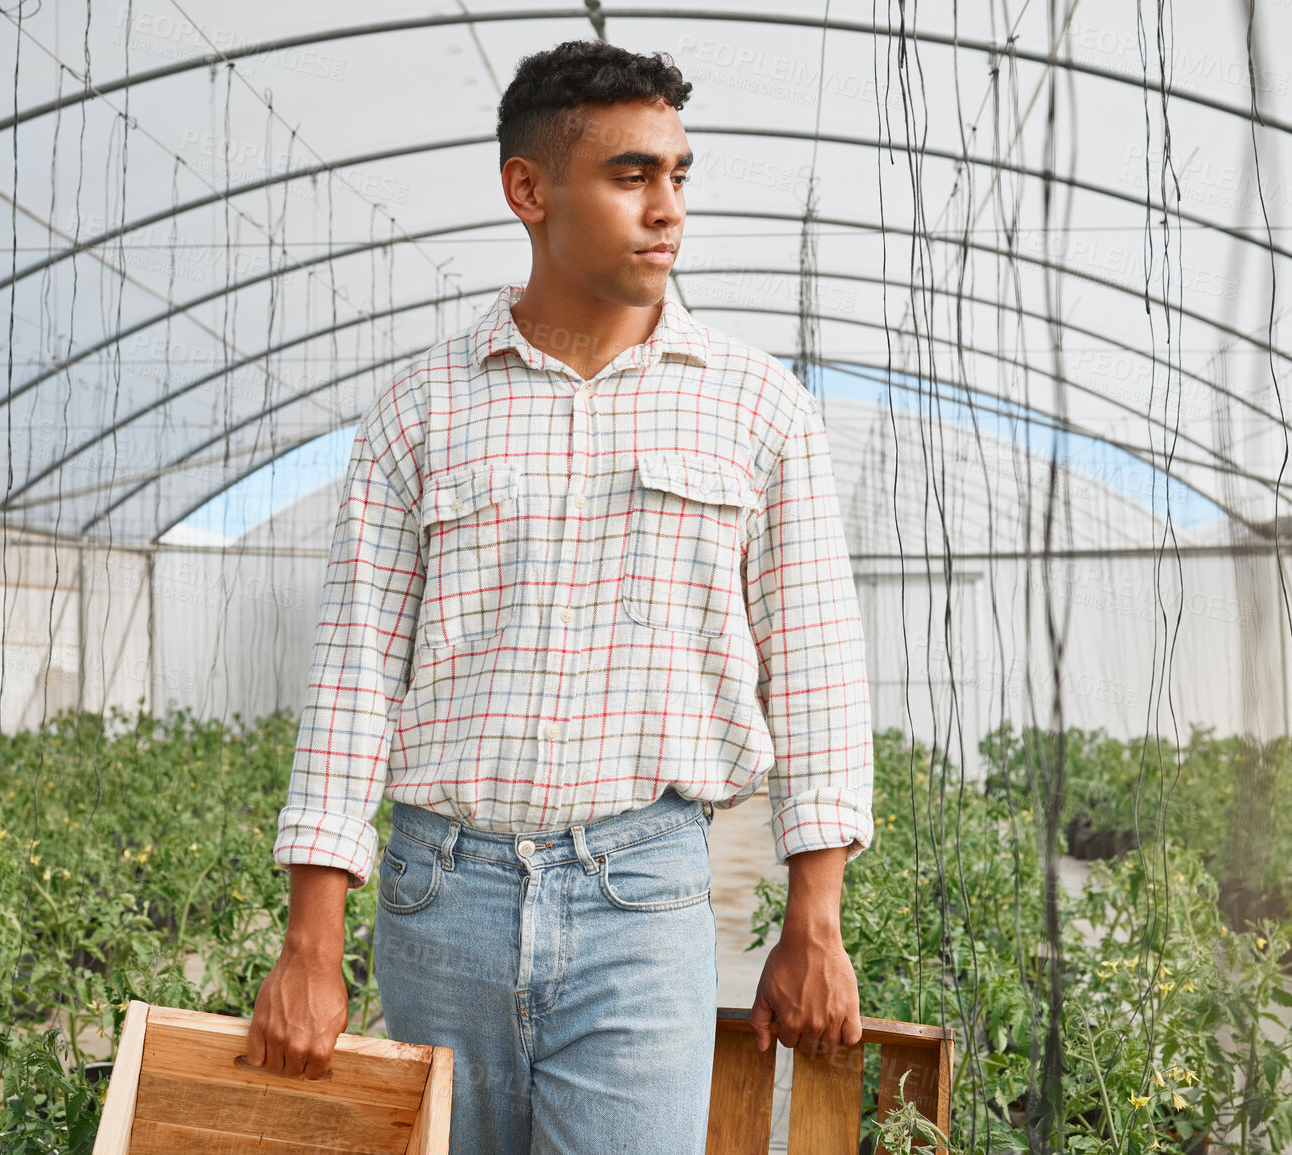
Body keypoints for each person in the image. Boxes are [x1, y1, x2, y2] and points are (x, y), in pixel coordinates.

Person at [246, 38, 874, 1155]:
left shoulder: (757, 409)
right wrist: (310, 942)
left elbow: (816, 672)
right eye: (631, 176)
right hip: (443, 898)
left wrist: (812, 920)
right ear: (528, 190)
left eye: (679, 176)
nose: (667, 208)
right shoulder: (421, 412)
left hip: (644, 892)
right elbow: (352, 679)